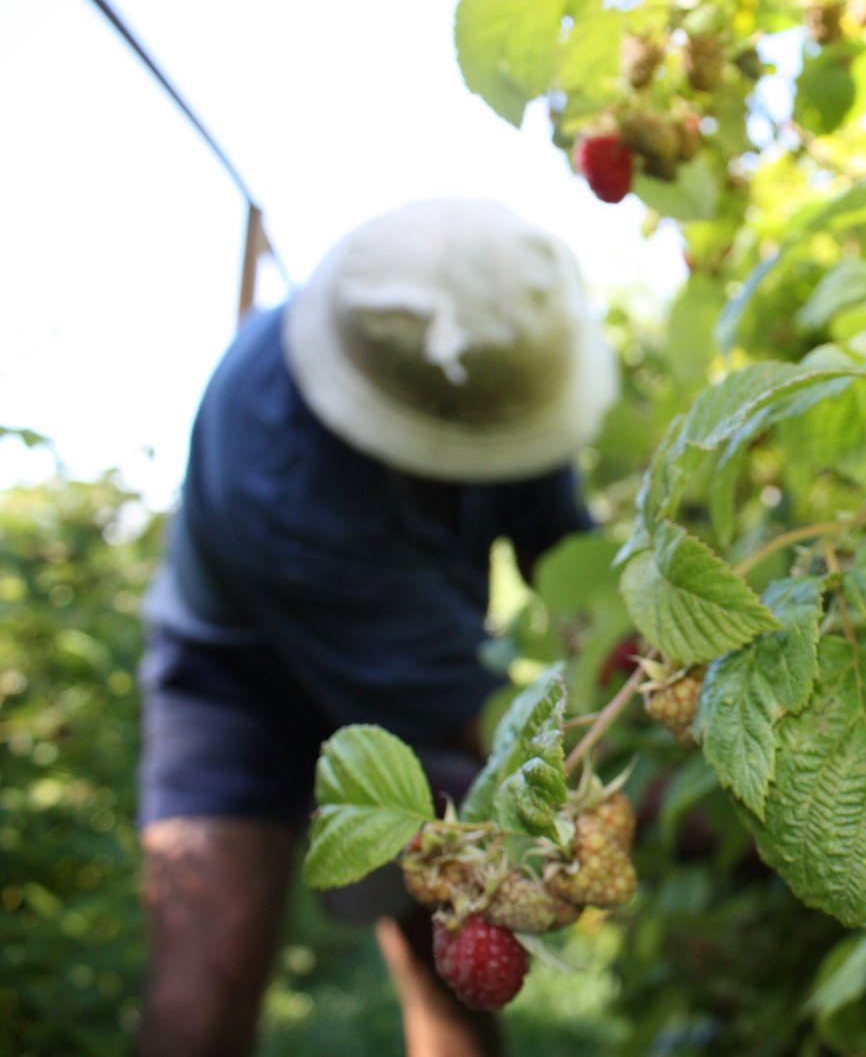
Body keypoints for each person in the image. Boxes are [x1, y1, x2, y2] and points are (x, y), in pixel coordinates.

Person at [135, 197, 618, 1056]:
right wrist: (628, 795)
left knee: (455, 983)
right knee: (199, 997)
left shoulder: (500, 368)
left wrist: (643, 680)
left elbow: (570, 569)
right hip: (233, 687)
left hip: (419, 666)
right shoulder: (274, 459)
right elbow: (453, 707)